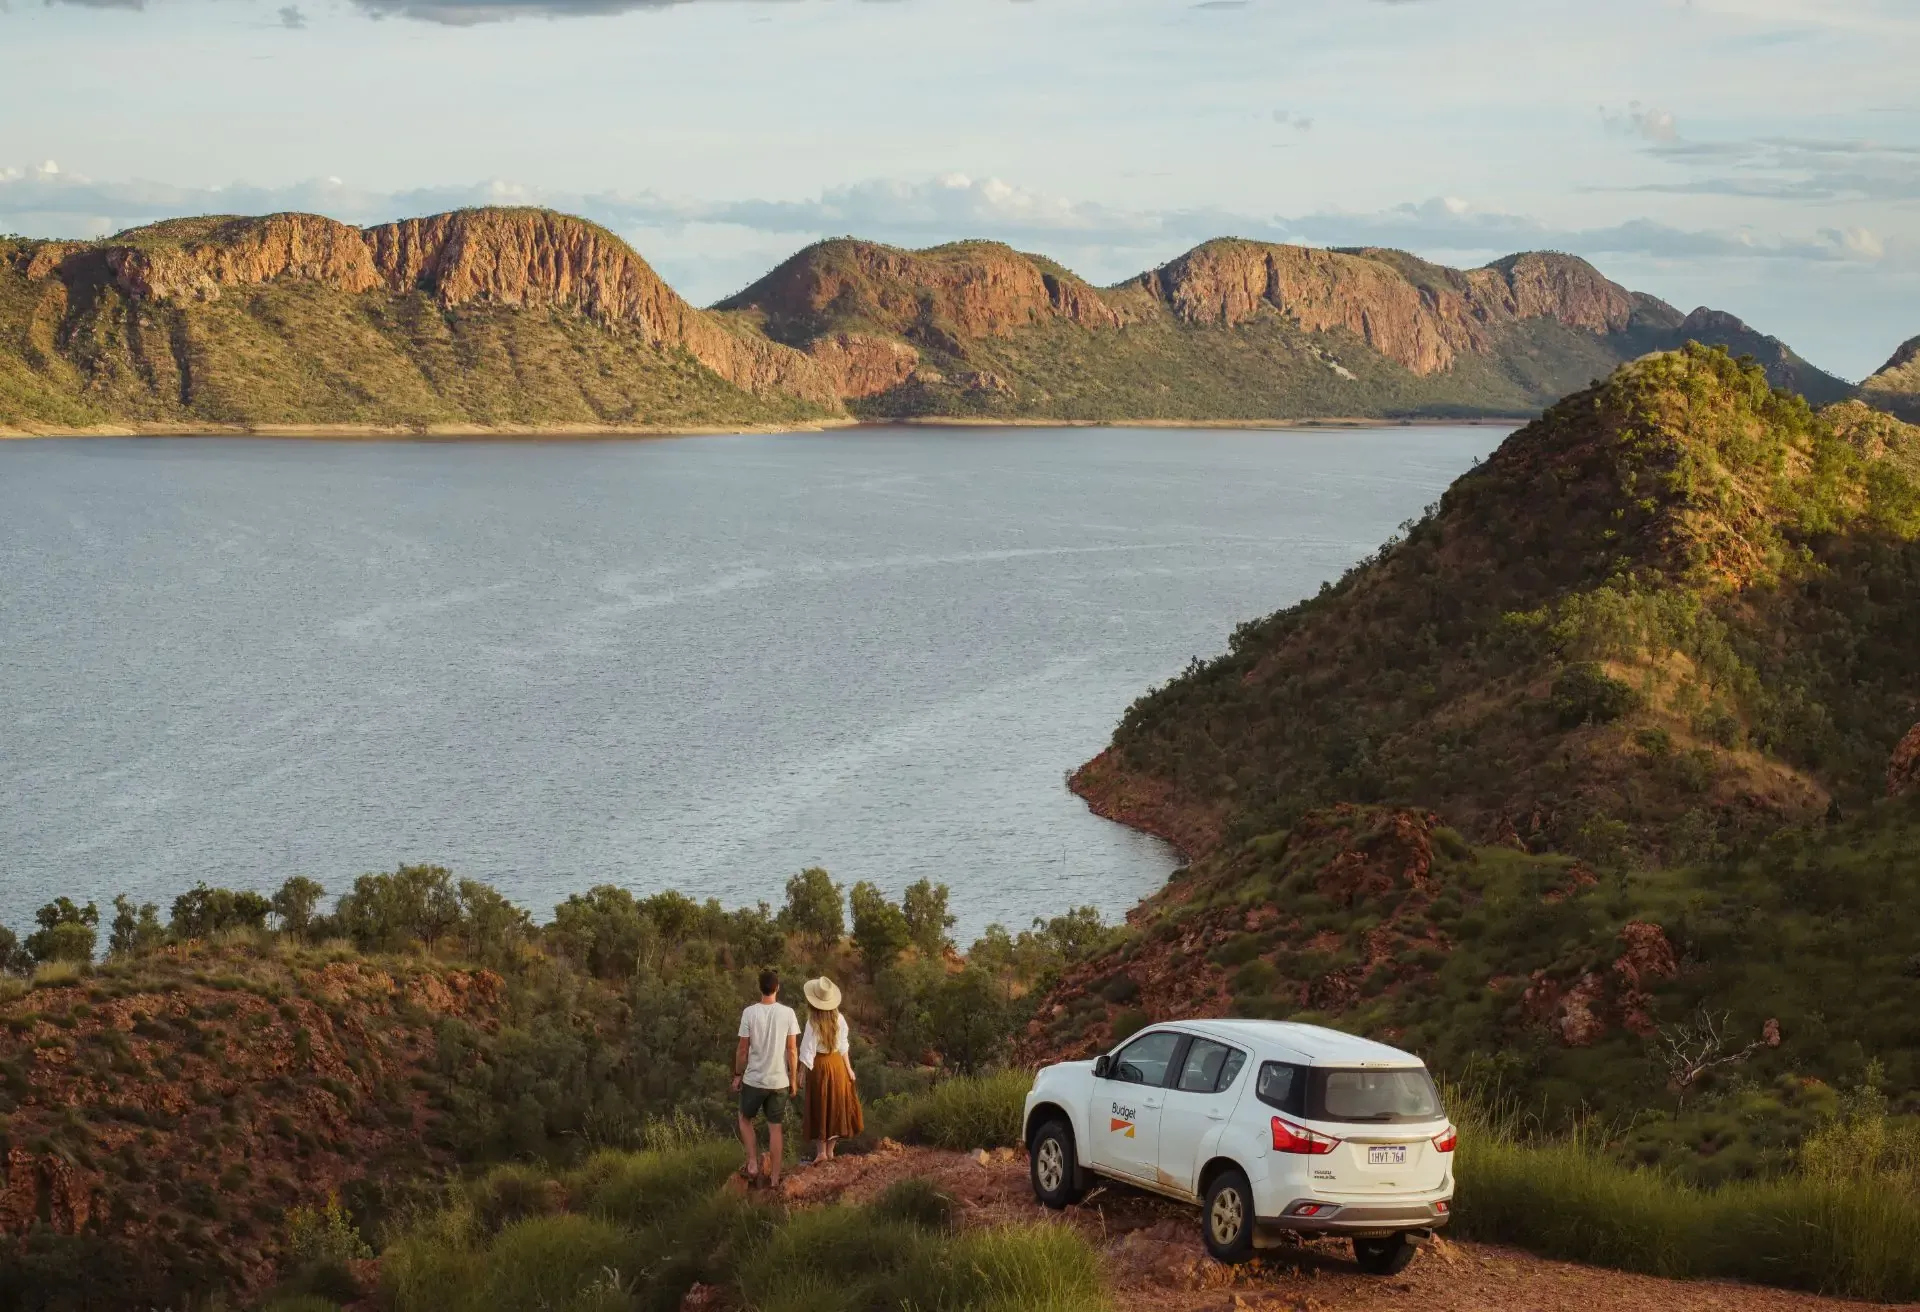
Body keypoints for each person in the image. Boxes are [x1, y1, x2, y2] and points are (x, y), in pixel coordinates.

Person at [731, 967, 799, 1189]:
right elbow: (792, 1050)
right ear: (777, 987)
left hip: (754, 1080)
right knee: (775, 1127)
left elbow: (743, 1050)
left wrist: (737, 1075)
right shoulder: (788, 1013)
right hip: (779, 1081)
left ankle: (752, 1163)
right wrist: (794, 1079)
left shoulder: (749, 1013)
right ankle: (775, 1177)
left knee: (744, 1118)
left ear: (760, 988)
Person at [799, 975, 863, 1162]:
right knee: (835, 1106)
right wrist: (848, 1069)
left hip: (819, 1066)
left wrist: (801, 1073)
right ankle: (830, 1152)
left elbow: (807, 1050)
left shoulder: (812, 1021)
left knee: (820, 1105)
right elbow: (843, 1046)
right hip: (836, 1066)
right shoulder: (839, 1019)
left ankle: (821, 1153)